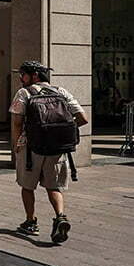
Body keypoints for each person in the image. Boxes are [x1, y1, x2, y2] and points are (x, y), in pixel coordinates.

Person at [10, 60, 87, 244]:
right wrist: (58, 131)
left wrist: (16, 145)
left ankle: (31, 222)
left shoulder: (24, 93)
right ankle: (60, 217)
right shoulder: (60, 91)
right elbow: (83, 118)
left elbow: (17, 123)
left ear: (34, 75)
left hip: (31, 149)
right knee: (54, 186)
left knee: (27, 186)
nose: (21, 78)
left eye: (24, 74)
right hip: (57, 150)